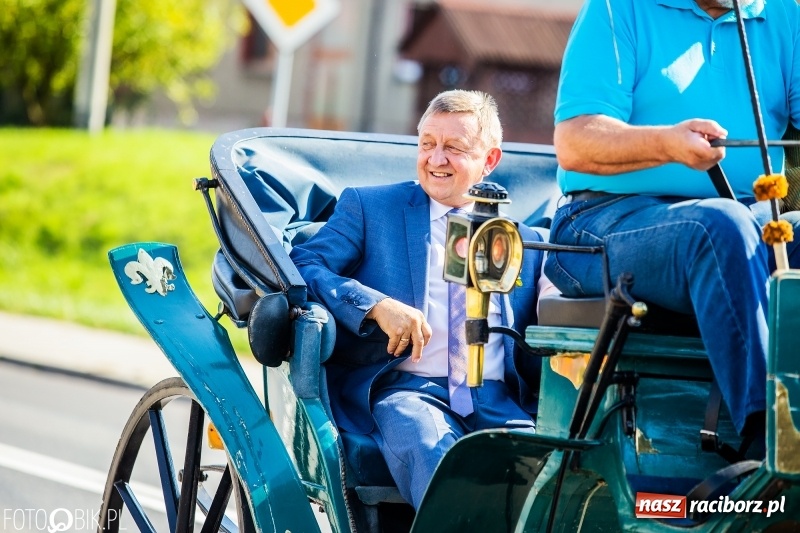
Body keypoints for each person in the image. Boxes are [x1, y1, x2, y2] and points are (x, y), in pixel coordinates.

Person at [548, 0, 800, 443]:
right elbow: (575, 141)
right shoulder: (616, 8)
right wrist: (666, 143)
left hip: (749, 216)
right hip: (601, 220)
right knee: (720, 227)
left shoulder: (786, 14)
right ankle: (775, 445)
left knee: (733, 223)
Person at [290, 90, 550, 509]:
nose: (436, 158)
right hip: (409, 391)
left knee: (549, 474)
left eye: (454, 147)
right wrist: (376, 305)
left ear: (490, 160)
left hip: (500, 397)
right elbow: (302, 265)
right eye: (427, 143)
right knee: (438, 455)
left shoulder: (525, 241)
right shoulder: (370, 208)